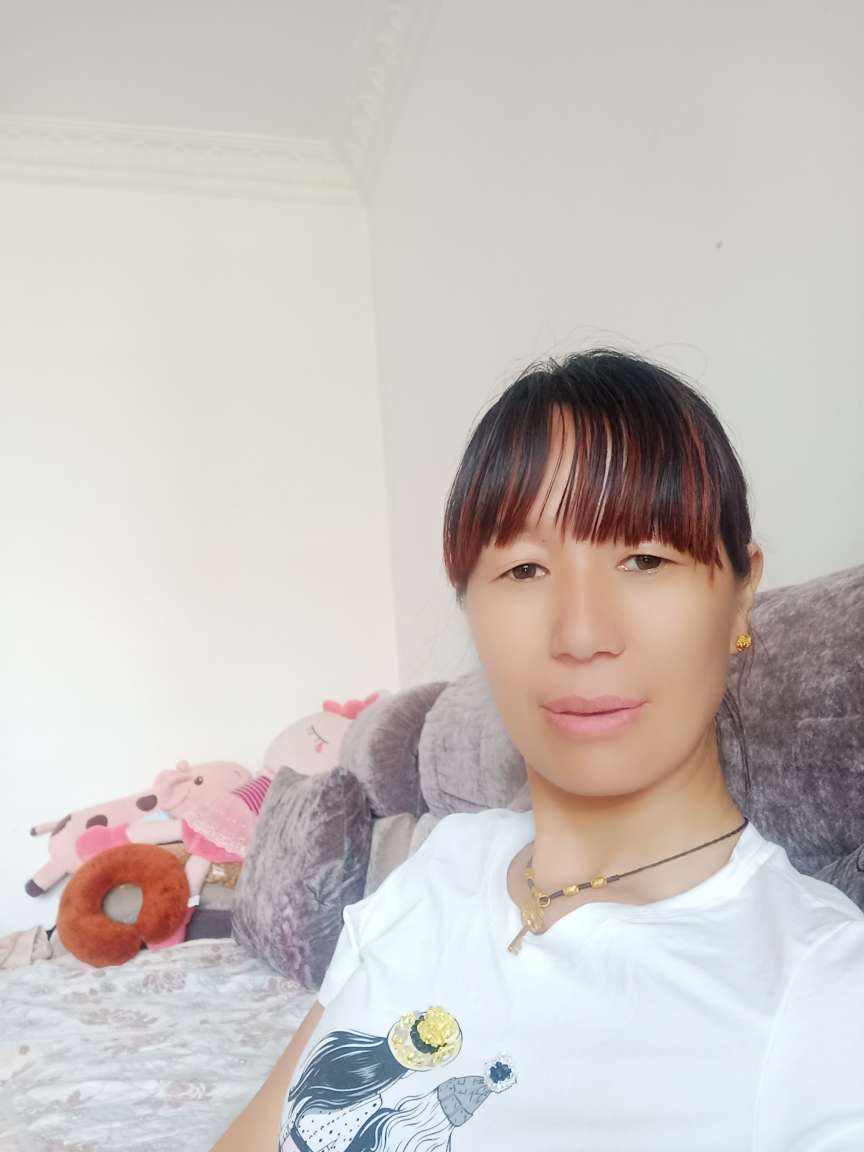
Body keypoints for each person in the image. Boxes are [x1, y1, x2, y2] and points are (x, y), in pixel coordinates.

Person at [212, 348, 864, 1151]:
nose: (582, 634)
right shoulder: (437, 870)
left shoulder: (820, 989)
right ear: (469, 605)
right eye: (524, 569)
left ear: (740, 594)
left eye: (645, 558)